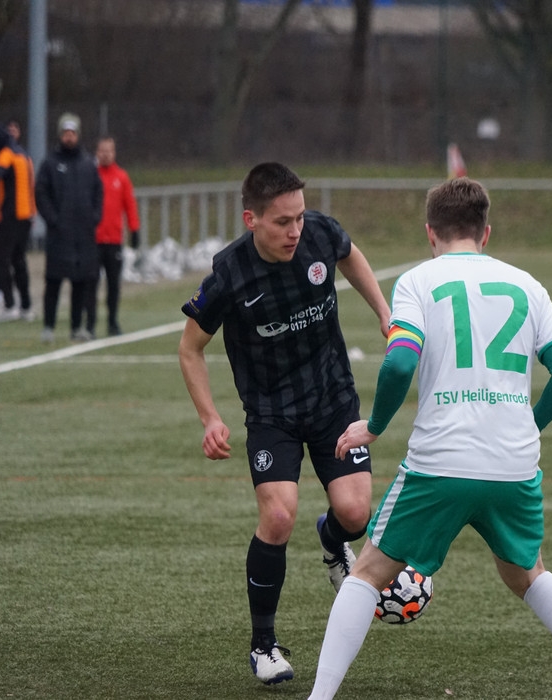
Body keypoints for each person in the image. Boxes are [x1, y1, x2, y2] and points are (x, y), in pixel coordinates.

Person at [308, 178, 552, 700]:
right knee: (527, 574)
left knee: (367, 572)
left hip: (440, 463)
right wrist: (527, 427)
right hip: (513, 467)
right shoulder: (527, 285)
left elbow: (399, 362)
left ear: (429, 233)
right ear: (486, 233)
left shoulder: (418, 282)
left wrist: (373, 427)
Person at [177, 162, 390, 686]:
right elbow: (190, 348)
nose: (295, 230)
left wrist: (384, 314)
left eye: (299, 217)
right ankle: (263, 646)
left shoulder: (319, 233)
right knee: (277, 516)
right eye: (282, 222)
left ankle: (332, 540)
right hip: (271, 412)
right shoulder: (229, 274)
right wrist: (209, 418)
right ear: (251, 220)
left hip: (332, 398)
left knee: (355, 514)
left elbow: (349, 254)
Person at [34, 113, 103, 343]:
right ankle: (48, 327)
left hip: (83, 235)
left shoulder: (87, 163)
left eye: (72, 133)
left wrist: (94, 217)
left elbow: (98, 193)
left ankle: (76, 327)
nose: (69, 137)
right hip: (59, 235)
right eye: (66, 133)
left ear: (78, 135)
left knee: (80, 282)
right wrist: (53, 219)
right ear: (60, 135)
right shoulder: (50, 163)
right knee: (53, 281)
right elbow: (41, 193)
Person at [91, 135, 139, 336]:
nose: (105, 154)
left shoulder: (121, 177)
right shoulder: (91, 176)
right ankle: (90, 324)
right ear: (97, 152)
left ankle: (112, 322)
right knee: (90, 283)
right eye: (102, 151)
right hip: (93, 240)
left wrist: (134, 229)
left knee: (113, 284)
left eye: (109, 151)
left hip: (113, 241)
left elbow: (129, 205)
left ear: (114, 152)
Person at [0, 126, 36, 322]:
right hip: (26, 215)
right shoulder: (25, 155)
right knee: (19, 260)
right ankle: (26, 306)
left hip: (10, 215)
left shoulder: (6, 154)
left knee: (0, 260)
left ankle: (9, 305)